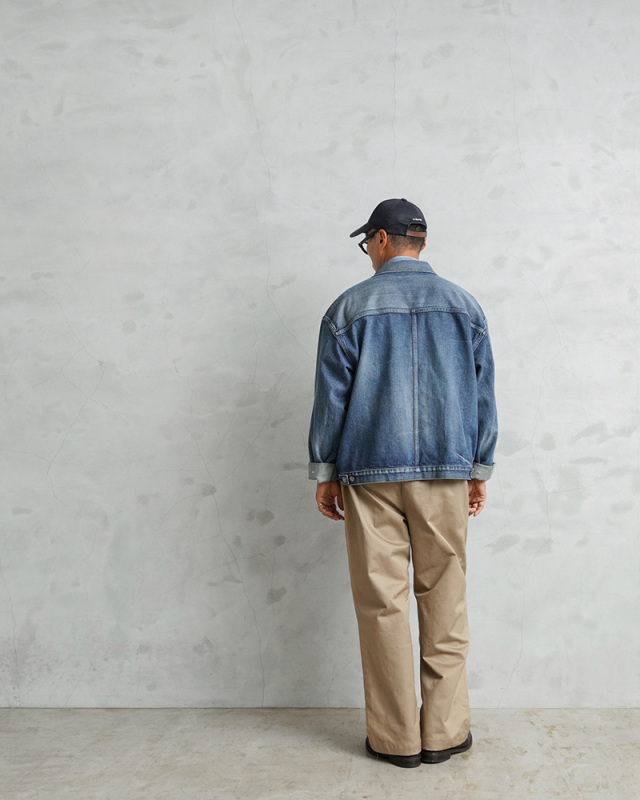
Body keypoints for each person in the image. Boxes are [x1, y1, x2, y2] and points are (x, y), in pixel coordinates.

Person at [307, 198, 498, 768]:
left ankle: (396, 741)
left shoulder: (348, 308)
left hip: (369, 473)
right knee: (446, 598)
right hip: (446, 471)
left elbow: (331, 400)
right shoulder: (464, 306)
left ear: (383, 239)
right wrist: (478, 467)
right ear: (421, 241)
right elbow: (483, 396)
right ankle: (445, 733)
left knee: (382, 606)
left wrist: (325, 471)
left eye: (367, 242)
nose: (368, 251)